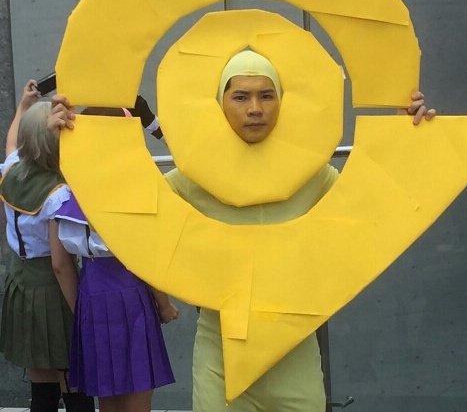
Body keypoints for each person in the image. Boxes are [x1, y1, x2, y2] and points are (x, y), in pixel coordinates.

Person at [49, 50, 436, 412]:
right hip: (219, 351)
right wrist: (71, 138)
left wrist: (408, 134)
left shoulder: (312, 174)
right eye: (241, 97)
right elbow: (117, 213)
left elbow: (378, 203)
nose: (255, 108)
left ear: (282, 102)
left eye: (267, 95)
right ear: (220, 104)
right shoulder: (192, 179)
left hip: (295, 349)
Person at [50, 105, 178, 412]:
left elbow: (60, 265)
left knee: (107, 397)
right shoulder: (138, 191)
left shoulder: (62, 195)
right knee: (138, 391)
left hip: (90, 296)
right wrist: (163, 304)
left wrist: (81, 308)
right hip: (132, 293)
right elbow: (145, 258)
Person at [0, 80, 94, 412]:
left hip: (19, 280)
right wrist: (81, 312)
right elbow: (60, 264)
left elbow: (12, 142)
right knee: (72, 374)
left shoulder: (12, 170)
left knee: (40, 372)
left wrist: (23, 106)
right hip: (53, 290)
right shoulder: (58, 194)